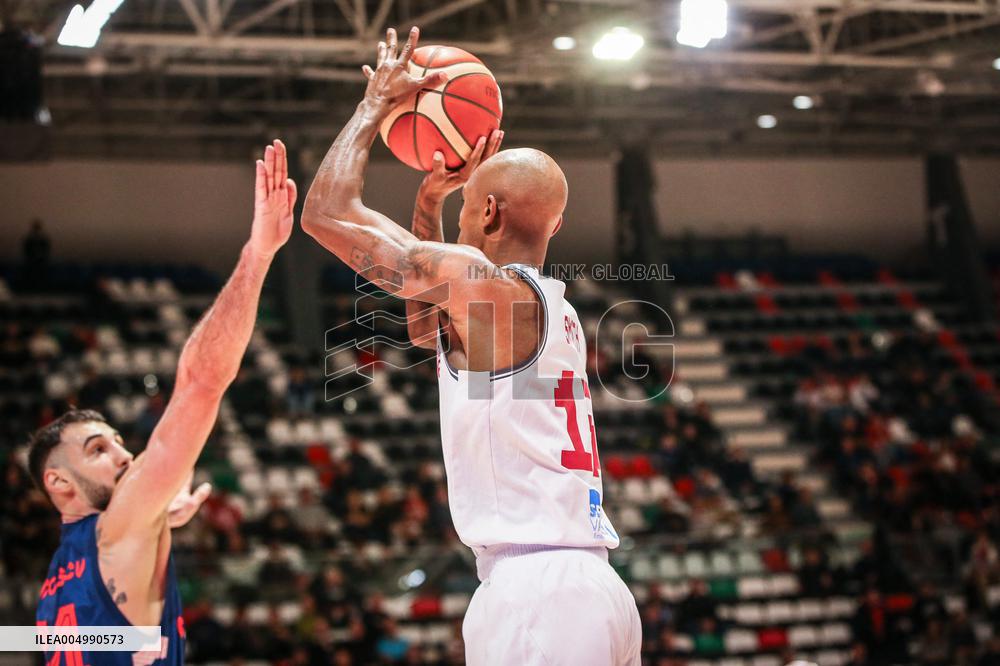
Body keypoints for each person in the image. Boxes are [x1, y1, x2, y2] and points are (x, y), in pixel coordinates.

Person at [301, 26, 641, 665]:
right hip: (592, 587)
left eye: (465, 209)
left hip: (538, 593)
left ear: (488, 215)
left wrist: (375, 103)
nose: (457, 221)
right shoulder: (547, 310)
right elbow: (425, 328)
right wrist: (428, 205)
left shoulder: (484, 288)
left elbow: (324, 211)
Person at [30, 139, 297, 664]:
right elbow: (200, 381)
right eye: (97, 451)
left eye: (117, 441)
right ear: (58, 482)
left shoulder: (54, 583)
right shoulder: (116, 530)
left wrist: (151, 521)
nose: (124, 455)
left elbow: (26, 641)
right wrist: (258, 253)